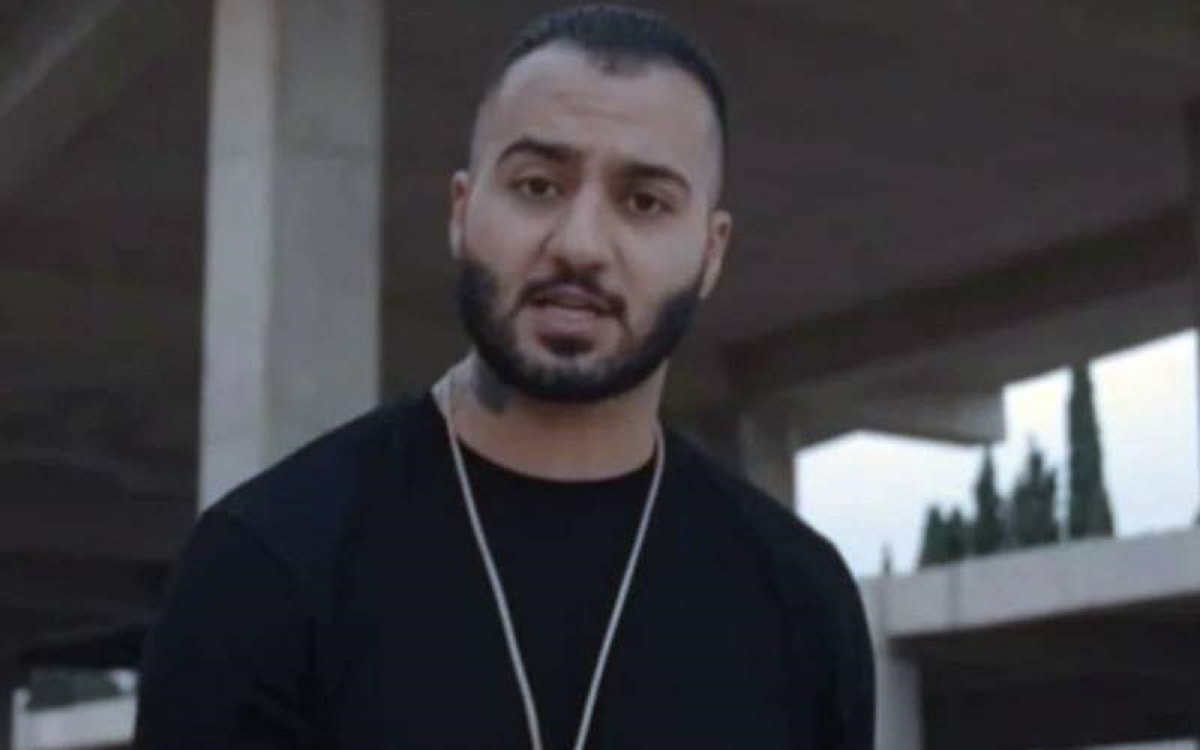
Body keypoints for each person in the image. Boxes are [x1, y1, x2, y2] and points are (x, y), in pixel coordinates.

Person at [135, 5, 875, 748]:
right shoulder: (265, 561)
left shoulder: (800, 597)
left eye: (644, 202)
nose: (580, 245)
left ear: (711, 254)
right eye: (537, 186)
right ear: (462, 211)